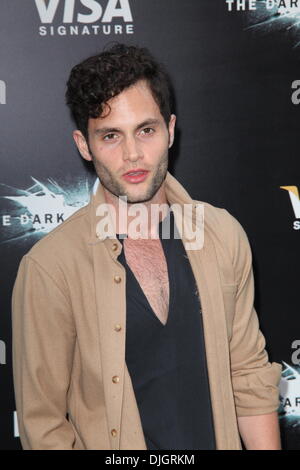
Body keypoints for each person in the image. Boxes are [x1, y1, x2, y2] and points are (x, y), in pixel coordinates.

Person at [12, 43, 282, 450]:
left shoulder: (223, 234)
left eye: (146, 130)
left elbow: (247, 374)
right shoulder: (51, 268)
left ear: (170, 130)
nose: (133, 154)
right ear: (84, 145)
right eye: (110, 136)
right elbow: (44, 425)